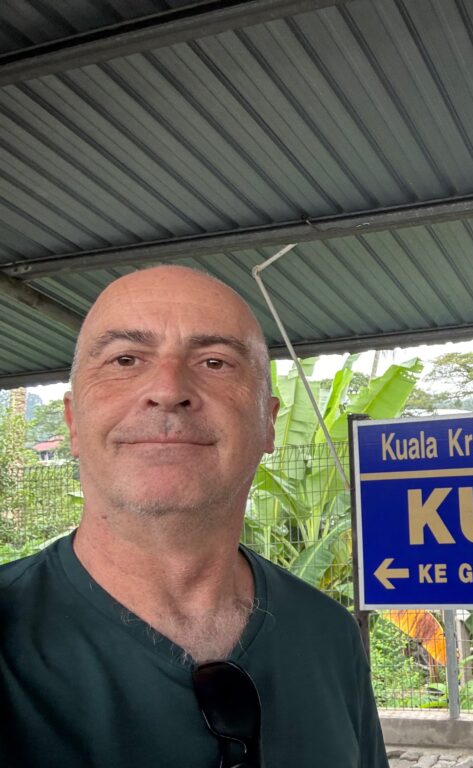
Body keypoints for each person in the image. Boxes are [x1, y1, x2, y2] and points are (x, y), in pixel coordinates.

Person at [0, 266, 389, 767]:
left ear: (268, 424)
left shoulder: (329, 636)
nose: (167, 389)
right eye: (125, 359)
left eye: (214, 362)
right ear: (74, 422)